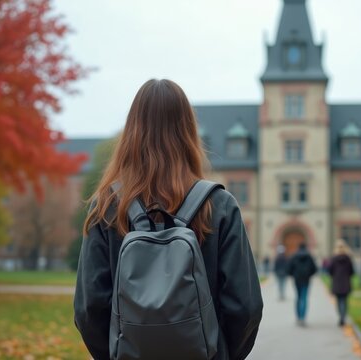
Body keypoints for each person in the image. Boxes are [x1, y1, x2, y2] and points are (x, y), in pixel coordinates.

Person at [73, 79, 263, 360]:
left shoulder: (107, 208)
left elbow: (88, 308)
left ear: (132, 131)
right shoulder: (219, 205)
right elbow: (245, 307)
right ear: (188, 131)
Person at [287, 243, 317, 327]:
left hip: (297, 280)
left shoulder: (294, 256)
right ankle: (303, 317)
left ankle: (298, 316)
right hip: (306, 280)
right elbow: (314, 269)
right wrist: (309, 274)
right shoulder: (309, 257)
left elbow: (289, 269)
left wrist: (294, 275)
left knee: (298, 297)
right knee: (304, 298)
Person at [327, 240, 355, 327]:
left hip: (337, 282)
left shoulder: (334, 259)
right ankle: (343, 316)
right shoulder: (348, 259)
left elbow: (330, 271)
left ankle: (341, 316)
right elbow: (352, 271)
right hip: (346, 282)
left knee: (339, 301)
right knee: (344, 301)